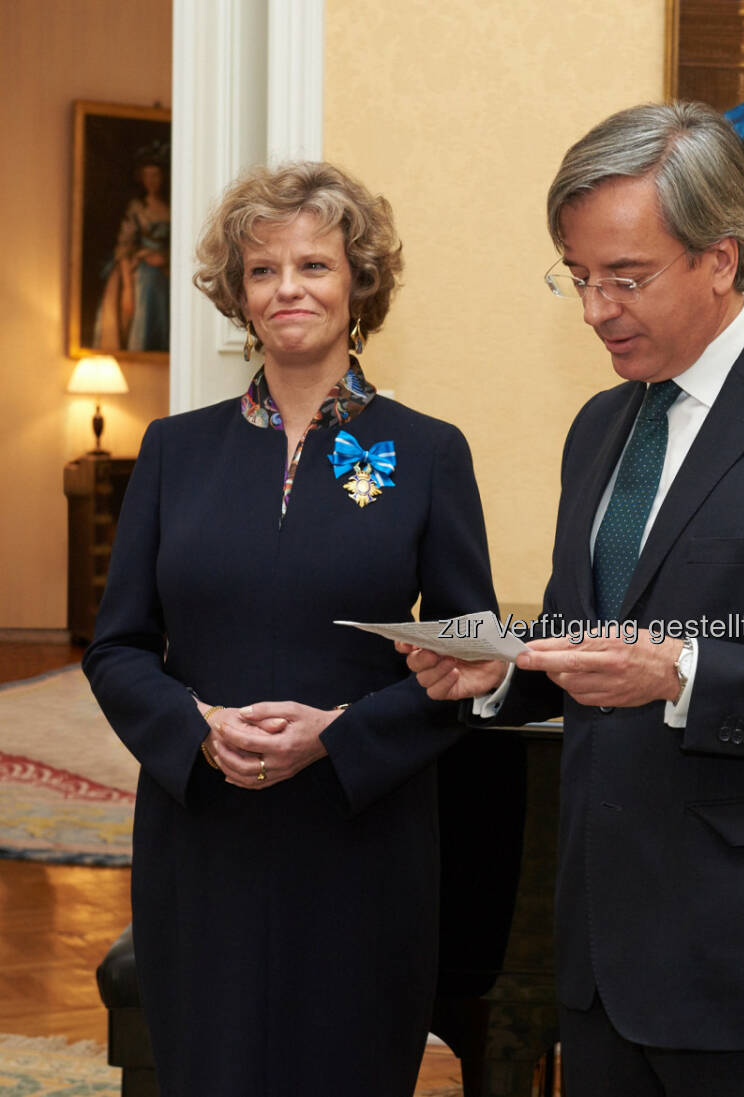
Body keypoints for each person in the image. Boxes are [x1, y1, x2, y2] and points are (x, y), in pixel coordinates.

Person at [406, 101, 744, 1096]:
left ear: (721, 258)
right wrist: (504, 665)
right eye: (578, 277)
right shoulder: (600, 428)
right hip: (604, 961)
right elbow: (591, 634)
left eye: (626, 277)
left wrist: (686, 671)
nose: (595, 308)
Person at [84, 162, 501, 1097]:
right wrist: (195, 727)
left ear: (359, 284)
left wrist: (341, 733)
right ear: (238, 293)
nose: (287, 289)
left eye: (314, 265)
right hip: (205, 834)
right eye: (262, 270)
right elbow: (115, 648)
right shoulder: (172, 451)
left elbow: (470, 660)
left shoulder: (428, 452)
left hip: (360, 840)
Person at [92, 153, 170, 352]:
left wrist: (165, 258)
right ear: (142, 179)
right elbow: (124, 246)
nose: (152, 181)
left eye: (156, 175)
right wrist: (128, 288)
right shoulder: (137, 208)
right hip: (140, 268)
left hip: (167, 267)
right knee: (147, 279)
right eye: (148, 175)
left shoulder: (171, 208)